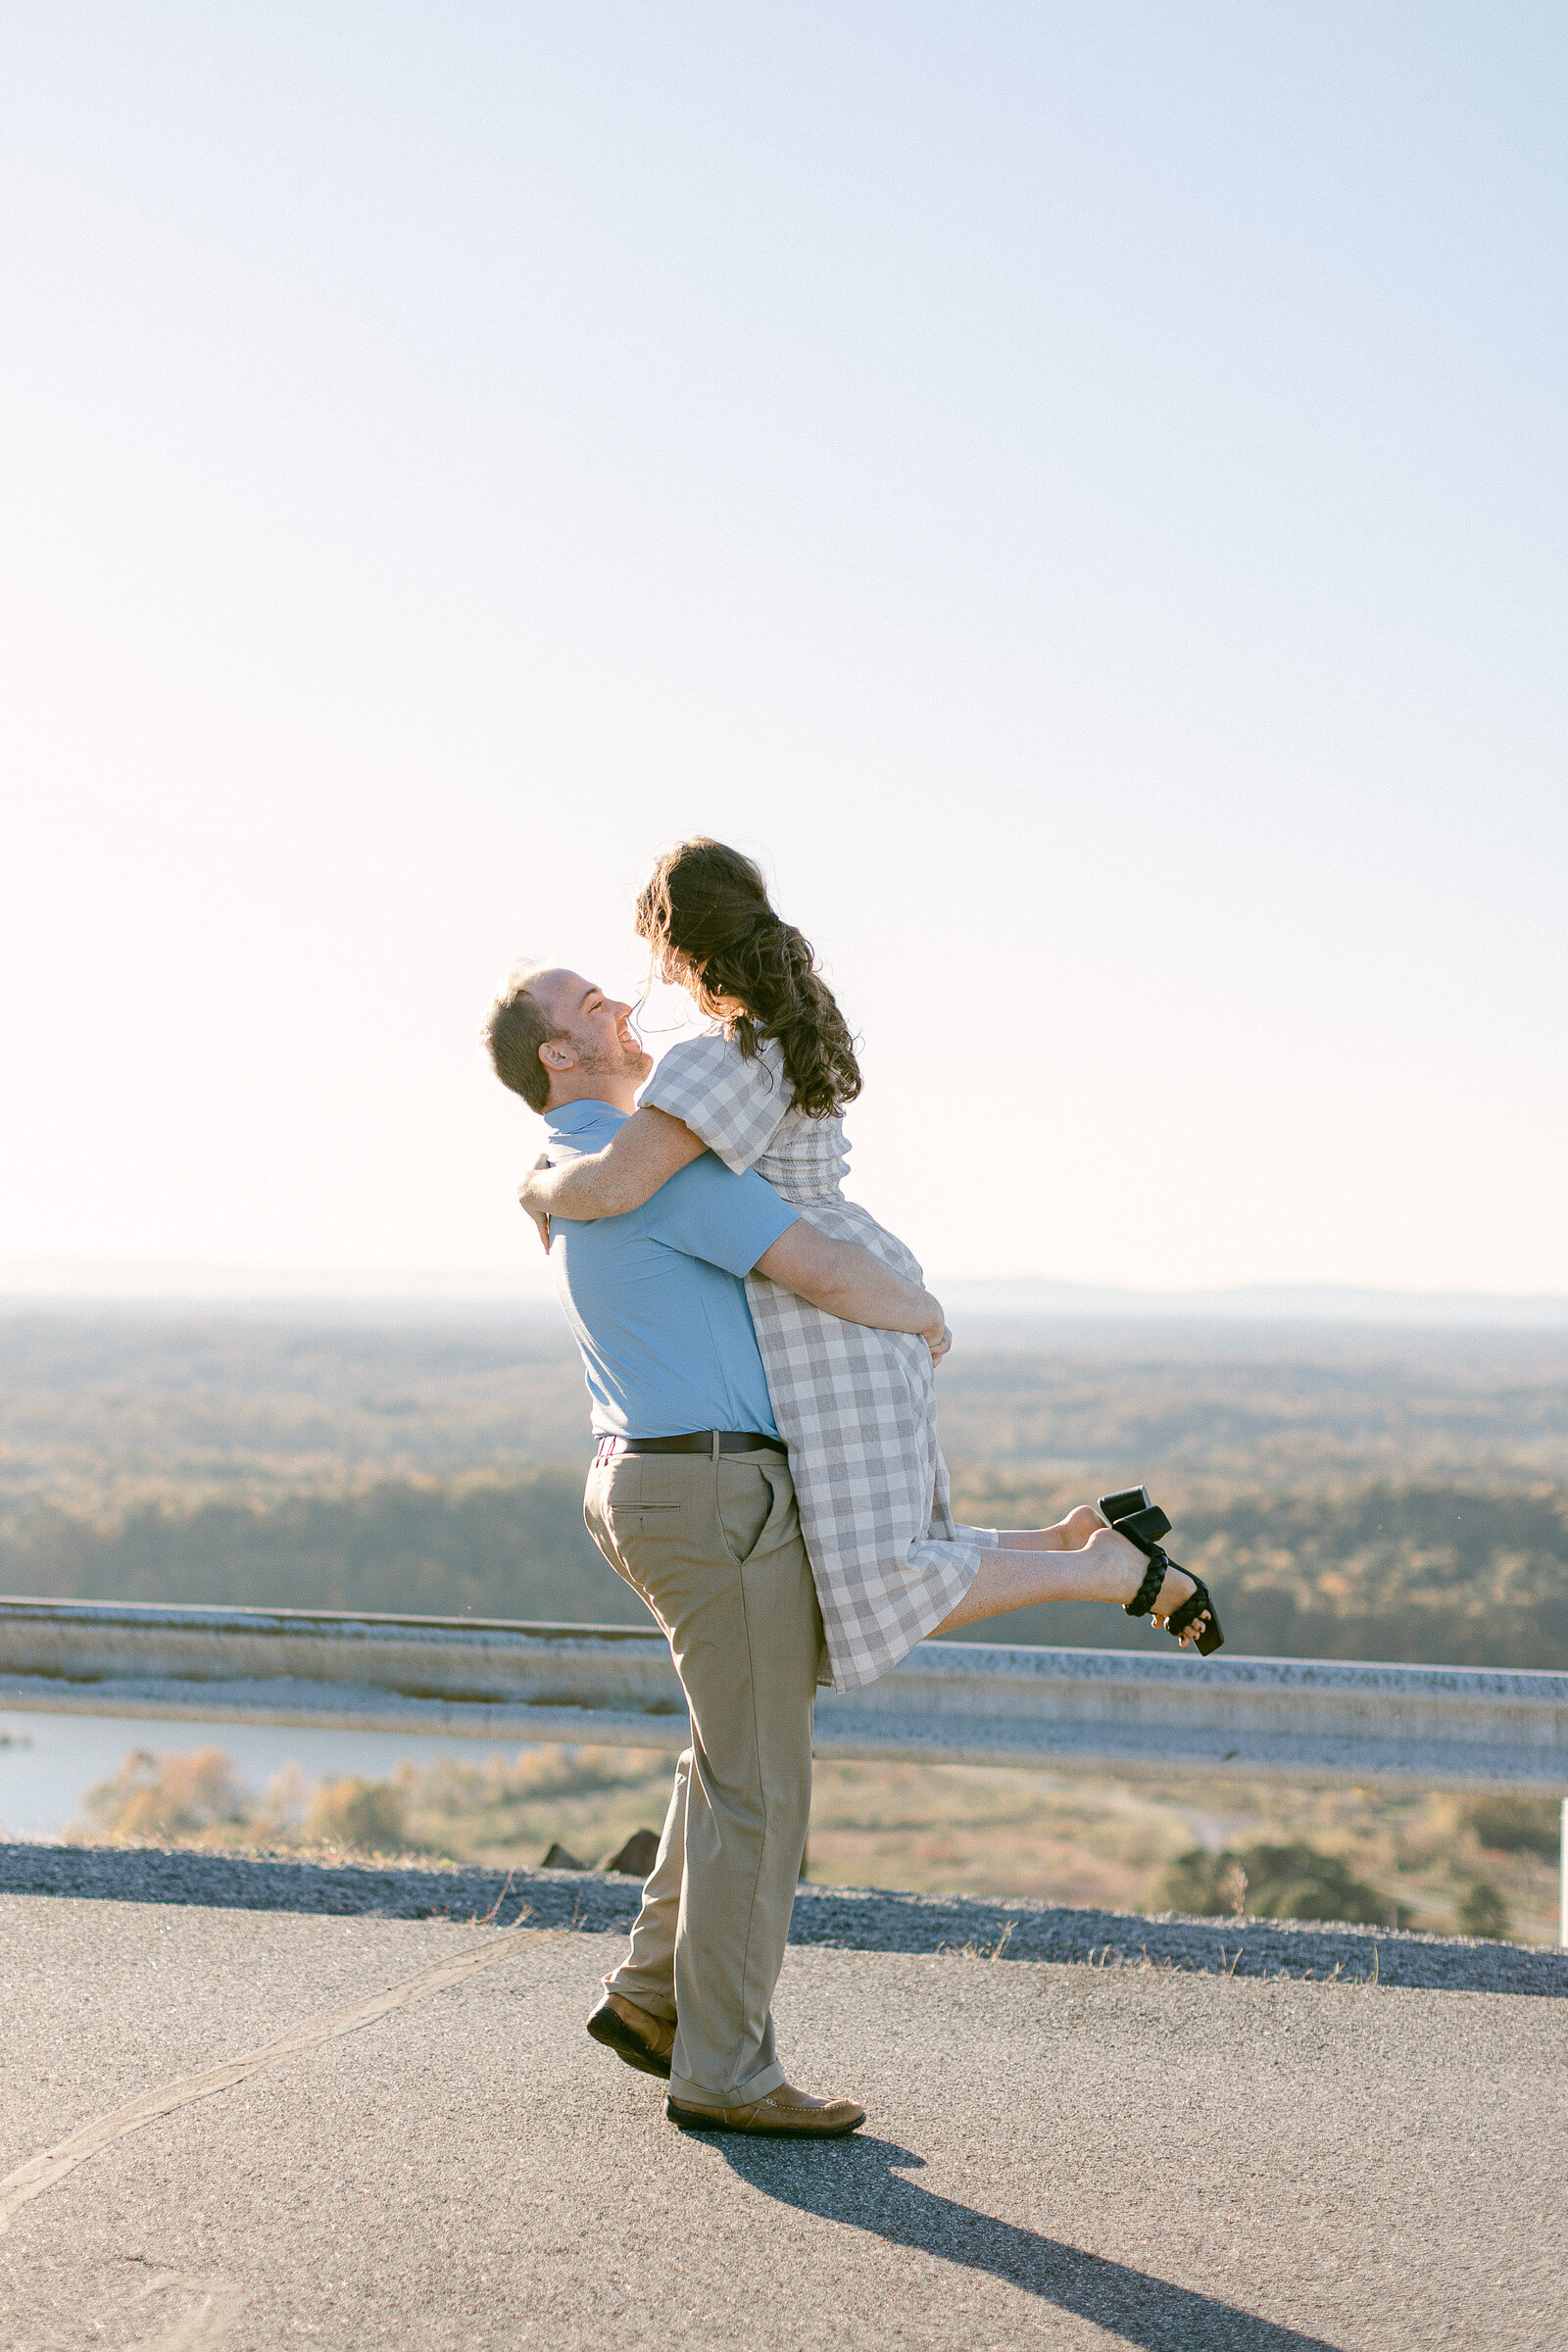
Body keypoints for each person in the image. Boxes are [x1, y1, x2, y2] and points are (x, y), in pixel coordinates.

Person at [517, 837, 1216, 1694]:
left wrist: (540, 1184)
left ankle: (1103, 1572)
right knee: (889, 1560)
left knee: (879, 1583)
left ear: (677, 945)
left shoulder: (716, 1058)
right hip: (848, 1314)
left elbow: (622, 1181)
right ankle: (1074, 1543)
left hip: (828, 1323)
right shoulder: (775, 1033)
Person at [484, 959, 956, 2137]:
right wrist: (926, 1315)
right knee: (760, 1788)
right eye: (589, 1004)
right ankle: (726, 2071)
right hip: (713, 1487)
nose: (620, 1005)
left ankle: (652, 2001)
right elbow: (826, 1269)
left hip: (644, 1482)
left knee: (724, 1755)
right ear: (556, 1054)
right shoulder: (656, 1164)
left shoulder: (566, 1171)